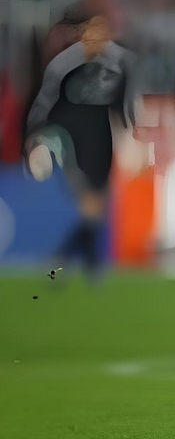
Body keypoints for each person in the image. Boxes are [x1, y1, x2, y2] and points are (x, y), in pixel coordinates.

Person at [24, 16, 135, 279]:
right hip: (69, 131)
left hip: (101, 130)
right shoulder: (66, 62)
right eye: (91, 33)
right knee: (90, 201)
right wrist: (32, 137)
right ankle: (88, 265)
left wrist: (130, 132)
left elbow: (127, 100)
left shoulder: (122, 60)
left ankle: (64, 262)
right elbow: (44, 100)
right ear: (83, 34)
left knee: (96, 203)